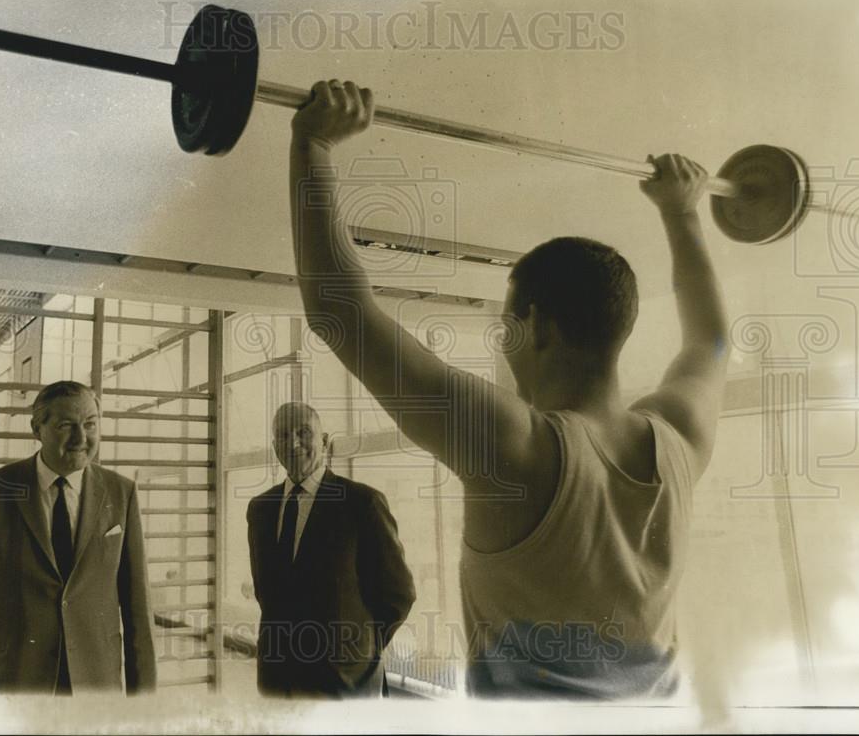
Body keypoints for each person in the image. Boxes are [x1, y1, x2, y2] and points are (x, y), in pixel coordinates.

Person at [285, 79, 729, 698]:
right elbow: (710, 340)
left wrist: (314, 143)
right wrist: (683, 213)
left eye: (507, 325)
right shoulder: (681, 436)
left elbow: (340, 312)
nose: (503, 340)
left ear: (539, 325)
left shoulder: (517, 447)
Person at [0, 380, 156, 695]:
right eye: (67, 426)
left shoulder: (121, 492)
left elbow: (138, 607)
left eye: (91, 424)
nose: (82, 438)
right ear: (37, 429)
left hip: (93, 684)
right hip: (9, 683)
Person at [246, 401, 416, 698]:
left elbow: (399, 595)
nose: (294, 442)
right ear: (274, 447)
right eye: (283, 435)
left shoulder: (362, 503)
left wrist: (355, 649)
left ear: (324, 441)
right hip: (277, 681)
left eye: (303, 432)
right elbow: (267, 594)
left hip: (344, 684)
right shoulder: (260, 509)